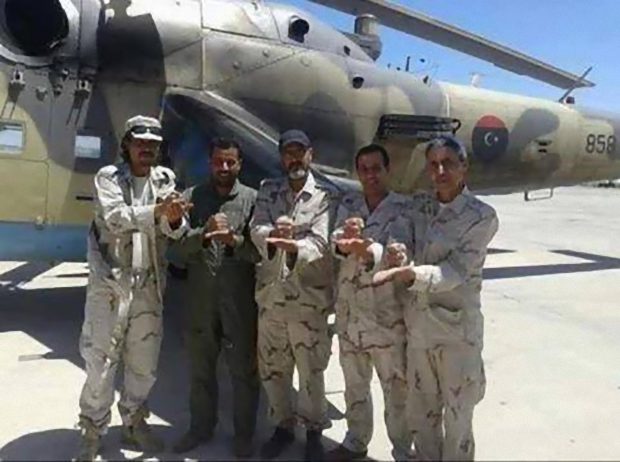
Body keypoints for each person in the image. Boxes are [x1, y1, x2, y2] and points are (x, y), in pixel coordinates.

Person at [373, 135, 499, 461]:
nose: (440, 171)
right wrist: (398, 250)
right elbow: (401, 231)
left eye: (448, 163)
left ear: (463, 167)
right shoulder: (421, 205)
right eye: (433, 164)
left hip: (456, 335)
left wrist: (411, 275)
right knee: (422, 417)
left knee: (458, 421)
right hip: (420, 333)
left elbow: (456, 271)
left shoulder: (481, 217)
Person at [76, 116, 191, 461]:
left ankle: (134, 421)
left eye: (153, 144)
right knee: (100, 361)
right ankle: (92, 429)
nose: (146, 149)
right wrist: (159, 211)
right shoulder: (109, 177)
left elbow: (174, 228)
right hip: (111, 285)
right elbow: (115, 218)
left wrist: (174, 218)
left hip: (148, 285)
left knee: (144, 363)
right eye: (140, 142)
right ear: (127, 144)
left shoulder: (164, 179)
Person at [171, 138, 260, 458]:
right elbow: (177, 251)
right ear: (210, 163)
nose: (224, 167)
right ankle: (200, 428)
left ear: (239, 164)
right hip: (201, 301)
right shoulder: (191, 198)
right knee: (201, 369)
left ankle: (244, 435)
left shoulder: (253, 200)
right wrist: (203, 234)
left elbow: (260, 253)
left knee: (244, 372)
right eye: (219, 161)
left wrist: (234, 241)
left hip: (239, 302)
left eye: (230, 162)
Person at [250, 130, 335, 461]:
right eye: (288, 153)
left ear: (311, 154)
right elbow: (256, 228)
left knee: (311, 371)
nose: (294, 158)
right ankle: (283, 426)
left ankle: (313, 432)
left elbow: (322, 242)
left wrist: (294, 246)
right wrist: (272, 235)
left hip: (307, 301)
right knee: (273, 368)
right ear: (281, 157)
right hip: (272, 298)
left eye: (300, 152)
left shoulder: (326, 196)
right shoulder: (268, 190)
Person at [327, 144, 413, 461]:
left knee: (396, 390)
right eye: (364, 169)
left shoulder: (403, 208)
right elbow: (336, 241)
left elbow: (399, 249)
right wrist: (344, 242)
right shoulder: (349, 203)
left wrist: (364, 249)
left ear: (387, 170)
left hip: (386, 318)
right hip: (350, 315)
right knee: (354, 385)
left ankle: (403, 451)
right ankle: (355, 441)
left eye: (376, 168)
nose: (370, 175)